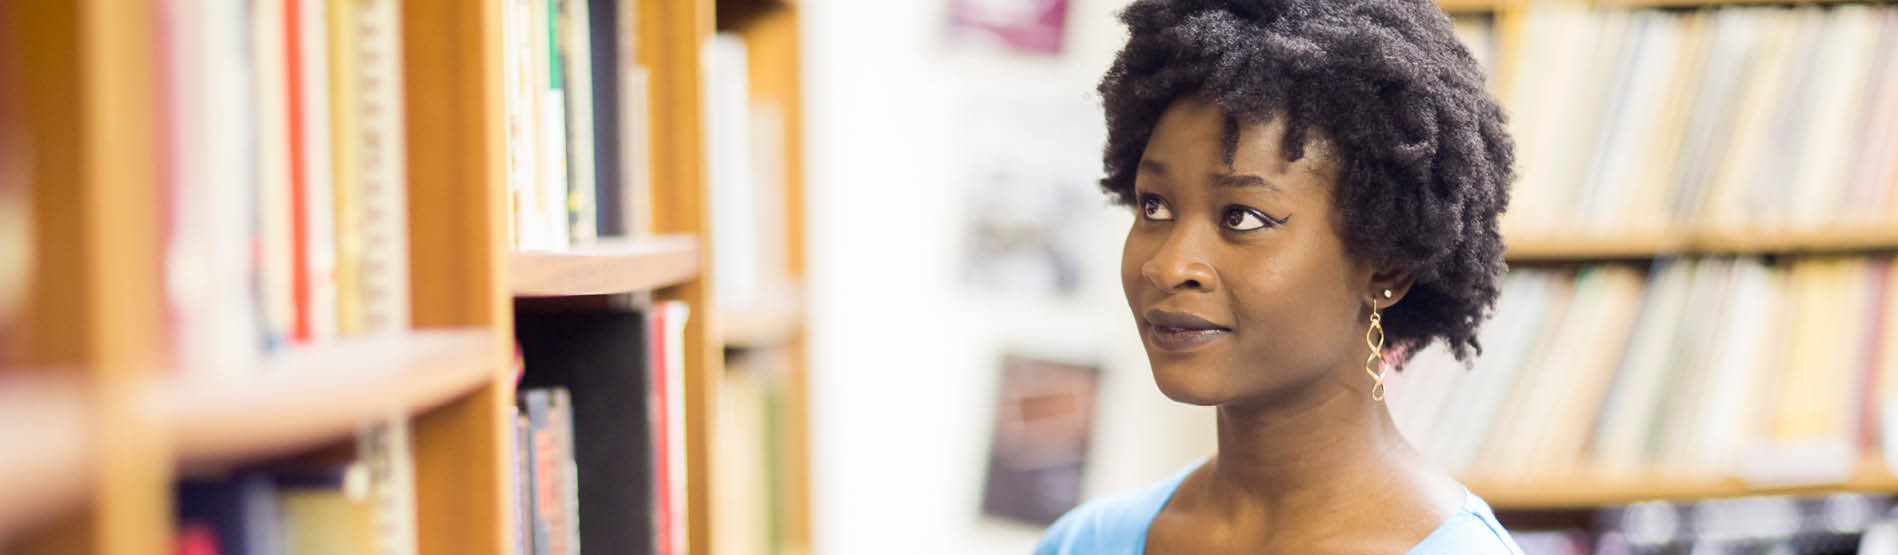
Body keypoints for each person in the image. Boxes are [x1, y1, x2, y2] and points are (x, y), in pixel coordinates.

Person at [1035, 0, 1521, 552]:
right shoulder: (1084, 542)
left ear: (1387, 262)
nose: (1168, 265)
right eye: (1154, 207)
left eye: (1242, 216)